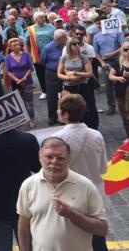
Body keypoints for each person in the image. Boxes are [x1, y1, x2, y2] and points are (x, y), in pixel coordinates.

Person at [17, 137, 108, 251]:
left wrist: (72, 214)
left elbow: (102, 229)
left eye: (60, 158)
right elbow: (23, 225)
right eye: (49, 157)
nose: (54, 162)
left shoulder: (85, 186)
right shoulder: (28, 185)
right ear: (40, 156)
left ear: (68, 159)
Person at [53, 94, 109, 251]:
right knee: (98, 242)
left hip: (70, 198)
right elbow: (102, 168)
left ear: (65, 115)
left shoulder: (57, 138)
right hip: (95, 194)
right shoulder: (96, 135)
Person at [58, 36, 98, 129]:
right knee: (70, 106)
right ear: (69, 46)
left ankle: (90, 126)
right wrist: (69, 77)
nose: (77, 45)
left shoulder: (83, 57)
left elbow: (90, 73)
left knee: (86, 105)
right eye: (74, 44)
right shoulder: (64, 58)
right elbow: (59, 74)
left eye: (78, 43)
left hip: (83, 85)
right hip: (69, 86)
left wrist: (75, 73)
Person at [93, 14, 126, 115]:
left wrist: (112, 53)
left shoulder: (117, 33)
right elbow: (96, 52)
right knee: (108, 84)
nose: (99, 25)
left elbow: (123, 46)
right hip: (106, 62)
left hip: (118, 59)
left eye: (100, 23)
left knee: (122, 80)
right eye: (97, 23)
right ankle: (111, 106)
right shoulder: (97, 36)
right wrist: (102, 62)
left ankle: (124, 102)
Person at [4, 38, 36, 127]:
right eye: (14, 45)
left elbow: (31, 68)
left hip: (27, 82)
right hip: (15, 83)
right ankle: (21, 120)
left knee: (29, 102)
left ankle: (31, 119)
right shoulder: (8, 57)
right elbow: (7, 71)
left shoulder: (25, 55)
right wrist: (17, 80)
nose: (17, 46)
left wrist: (24, 78)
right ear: (10, 47)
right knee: (19, 102)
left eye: (18, 45)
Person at [25, 11, 56, 100]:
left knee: (51, 73)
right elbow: (26, 43)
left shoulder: (51, 27)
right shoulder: (30, 29)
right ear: (35, 19)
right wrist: (28, 54)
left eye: (43, 17)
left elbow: (56, 39)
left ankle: (54, 90)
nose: (43, 18)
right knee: (40, 74)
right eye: (41, 17)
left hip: (51, 55)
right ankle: (45, 91)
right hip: (37, 55)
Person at [39, 29, 68, 125]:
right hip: (52, 73)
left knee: (66, 95)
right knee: (52, 96)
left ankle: (65, 116)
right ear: (59, 39)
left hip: (66, 73)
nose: (67, 39)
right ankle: (52, 117)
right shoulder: (48, 48)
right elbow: (42, 62)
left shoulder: (67, 46)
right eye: (65, 37)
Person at [109, 41, 129, 138]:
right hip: (121, 93)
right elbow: (110, 76)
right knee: (125, 116)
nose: (128, 51)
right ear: (122, 51)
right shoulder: (118, 62)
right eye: (126, 50)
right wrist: (119, 78)